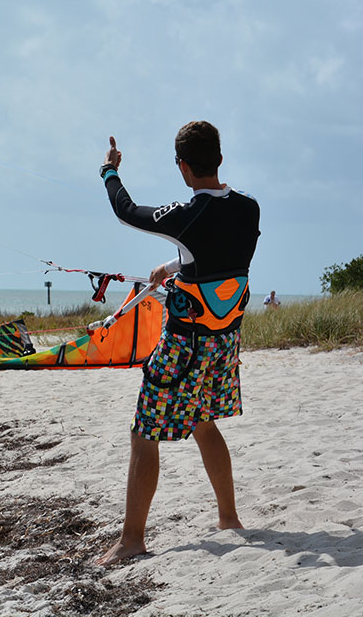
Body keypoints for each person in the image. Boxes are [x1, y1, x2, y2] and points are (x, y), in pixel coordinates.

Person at [94, 121, 260, 566]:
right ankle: (229, 517)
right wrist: (176, 264)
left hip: (185, 346)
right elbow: (220, 254)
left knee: (144, 432)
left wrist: (109, 171)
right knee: (203, 421)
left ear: (183, 166)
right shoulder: (249, 208)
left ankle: (132, 540)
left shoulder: (185, 216)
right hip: (225, 342)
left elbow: (126, 211)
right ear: (220, 158)